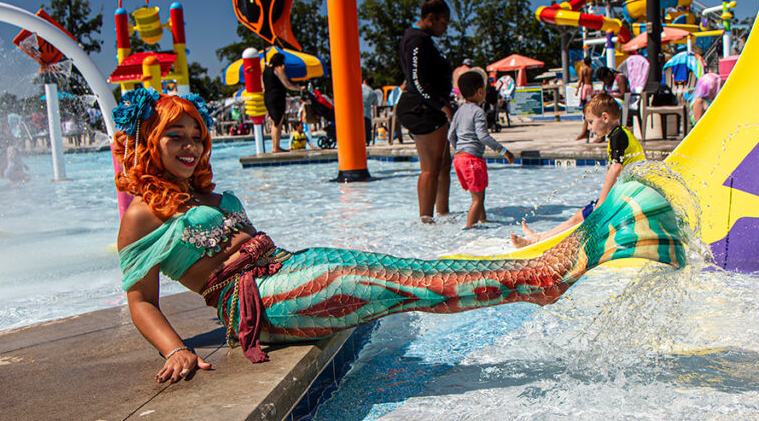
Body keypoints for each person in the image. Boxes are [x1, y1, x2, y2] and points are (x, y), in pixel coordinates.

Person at [112, 89, 685, 382]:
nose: (189, 146)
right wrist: (177, 350)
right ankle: (540, 279)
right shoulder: (141, 213)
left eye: (196, 135)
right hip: (260, 302)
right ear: (151, 143)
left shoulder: (207, 195)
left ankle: (538, 278)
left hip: (288, 267)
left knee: (405, 272)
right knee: (399, 284)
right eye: (175, 137)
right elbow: (140, 300)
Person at [512, 93, 646, 248]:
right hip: (632, 192)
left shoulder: (618, 136)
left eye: (590, 122)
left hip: (628, 196)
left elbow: (616, 168)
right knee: (580, 216)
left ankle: (541, 243)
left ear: (604, 117)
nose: (589, 127)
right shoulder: (622, 133)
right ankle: (540, 238)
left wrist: (602, 202)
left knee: (582, 218)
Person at [396, 0, 455, 223]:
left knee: (444, 164)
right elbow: (417, 80)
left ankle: (443, 212)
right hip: (421, 110)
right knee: (430, 167)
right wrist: (444, 106)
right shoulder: (417, 39)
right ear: (430, 18)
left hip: (430, 109)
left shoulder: (425, 39)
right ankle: (426, 221)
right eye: (443, 22)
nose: (445, 27)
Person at [448, 70, 515, 229]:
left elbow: (450, 135)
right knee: (477, 199)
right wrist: (504, 151)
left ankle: (483, 221)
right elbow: (483, 136)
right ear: (480, 91)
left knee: (479, 194)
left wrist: (460, 150)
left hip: (459, 160)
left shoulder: (459, 112)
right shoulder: (478, 112)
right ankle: (469, 228)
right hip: (472, 160)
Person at [263, 52, 302, 153]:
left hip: (267, 97)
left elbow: (263, 86)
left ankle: (275, 146)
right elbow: (287, 84)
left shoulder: (264, 71)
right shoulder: (278, 69)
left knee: (273, 122)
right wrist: (298, 88)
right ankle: (276, 148)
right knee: (278, 122)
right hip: (277, 98)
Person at [574, 57, 596, 141]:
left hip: (584, 88)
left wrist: (577, 90)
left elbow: (581, 80)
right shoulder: (591, 70)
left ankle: (585, 129)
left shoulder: (582, 70)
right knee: (590, 107)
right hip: (590, 87)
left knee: (585, 107)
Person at [361, 76, 376, 145]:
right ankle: (367, 141)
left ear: (364, 81)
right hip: (366, 113)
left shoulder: (358, 87)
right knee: (367, 127)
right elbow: (375, 105)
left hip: (355, 113)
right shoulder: (373, 93)